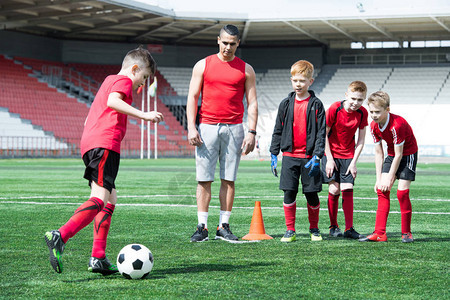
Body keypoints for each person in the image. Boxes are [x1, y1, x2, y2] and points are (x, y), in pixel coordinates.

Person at [44, 46, 164, 274]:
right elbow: (112, 101)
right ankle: (60, 235)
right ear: (135, 68)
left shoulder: (108, 79)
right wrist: (144, 115)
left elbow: (93, 112)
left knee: (109, 200)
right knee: (100, 198)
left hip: (93, 143)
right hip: (105, 144)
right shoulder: (124, 81)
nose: (143, 83)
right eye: (144, 77)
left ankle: (98, 257)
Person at [186, 24, 258, 243]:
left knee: (229, 179)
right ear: (218, 40)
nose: (228, 47)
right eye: (224, 42)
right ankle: (202, 226)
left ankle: (223, 226)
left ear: (238, 44)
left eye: (232, 43)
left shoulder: (246, 69)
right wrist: (191, 126)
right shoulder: (203, 65)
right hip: (206, 126)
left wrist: (252, 131)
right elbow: (192, 97)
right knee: (204, 179)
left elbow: (252, 101)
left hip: (235, 128)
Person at [269, 60, 326, 242]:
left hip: (310, 158)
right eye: (295, 80)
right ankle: (290, 230)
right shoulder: (285, 104)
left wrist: (317, 155)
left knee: (311, 194)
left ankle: (314, 229)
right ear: (291, 80)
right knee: (289, 193)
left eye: (302, 80)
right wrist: (273, 153)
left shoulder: (316, 105)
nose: (298, 84)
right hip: (289, 157)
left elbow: (321, 133)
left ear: (311, 81)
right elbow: (278, 129)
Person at [359, 91, 418, 243]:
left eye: (377, 112)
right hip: (392, 155)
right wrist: (378, 179)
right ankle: (379, 233)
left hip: (407, 155)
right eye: (371, 112)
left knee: (401, 193)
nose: (374, 115)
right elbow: (379, 153)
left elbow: (400, 154)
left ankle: (406, 233)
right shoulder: (373, 126)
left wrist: (391, 176)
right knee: (382, 189)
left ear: (387, 109)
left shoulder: (397, 125)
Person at [322, 81, 368, 239]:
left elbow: (361, 140)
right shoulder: (335, 108)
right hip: (331, 154)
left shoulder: (363, 113)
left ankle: (349, 229)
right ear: (346, 95)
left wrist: (354, 162)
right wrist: (328, 159)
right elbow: (323, 135)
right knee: (334, 189)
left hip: (348, 155)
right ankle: (333, 226)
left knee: (347, 188)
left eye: (360, 100)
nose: (356, 103)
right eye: (354, 98)